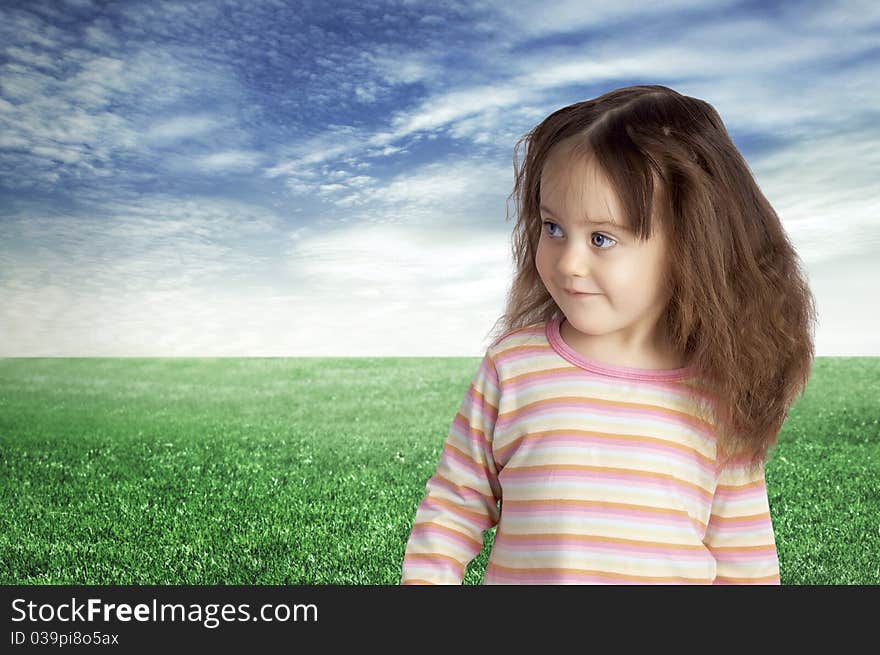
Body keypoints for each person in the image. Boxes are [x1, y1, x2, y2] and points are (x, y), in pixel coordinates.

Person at [399, 84, 817, 585]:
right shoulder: (513, 368)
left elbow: (745, 568)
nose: (569, 262)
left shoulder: (720, 395)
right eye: (553, 228)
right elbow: (453, 505)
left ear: (690, 245)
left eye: (602, 238)